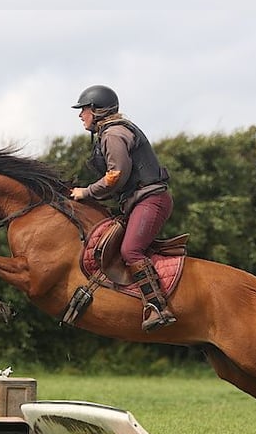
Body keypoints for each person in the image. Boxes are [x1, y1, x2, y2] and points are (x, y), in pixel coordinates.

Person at [70, 85, 176, 332]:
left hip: (151, 201)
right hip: (139, 201)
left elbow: (115, 175)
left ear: (97, 111)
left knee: (130, 251)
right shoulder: (110, 132)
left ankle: (157, 306)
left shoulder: (114, 134)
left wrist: (86, 192)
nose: (80, 115)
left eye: (83, 109)